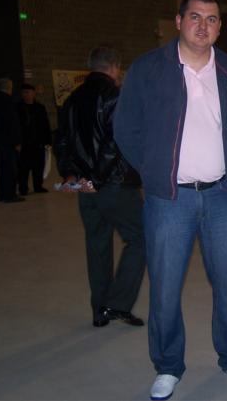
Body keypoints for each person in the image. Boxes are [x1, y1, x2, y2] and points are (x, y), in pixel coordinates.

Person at [113, 0, 227, 401]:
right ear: (178, 21)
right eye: (195, 17)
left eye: (211, 19)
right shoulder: (149, 68)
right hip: (169, 200)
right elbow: (125, 128)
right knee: (165, 288)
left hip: (221, 197)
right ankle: (168, 365)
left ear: (219, 27)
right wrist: (154, 171)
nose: (202, 26)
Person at [54, 46, 146, 330]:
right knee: (142, 238)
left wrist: (70, 173)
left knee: (97, 245)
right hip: (114, 185)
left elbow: (62, 140)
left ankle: (99, 310)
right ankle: (116, 304)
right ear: (115, 67)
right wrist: (98, 178)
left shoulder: (72, 99)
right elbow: (114, 143)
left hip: (85, 187)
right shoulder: (115, 96)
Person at [0, 78, 24, 203]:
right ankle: (10, 195)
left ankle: (2, 194)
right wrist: (17, 141)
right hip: (9, 140)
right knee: (10, 169)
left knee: (2, 168)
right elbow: (12, 123)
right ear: (8, 88)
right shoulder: (7, 101)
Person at [17, 83, 52, 194]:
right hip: (24, 142)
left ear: (33, 93)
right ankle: (23, 188)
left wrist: (48, 140)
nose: (26, 95)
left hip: (38, 142)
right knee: (23, 167)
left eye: (28, 92)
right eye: (23, 92)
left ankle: (38, 186)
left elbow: (45, 124)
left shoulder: (40, 107)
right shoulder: (18, 107)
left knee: (38, 166)